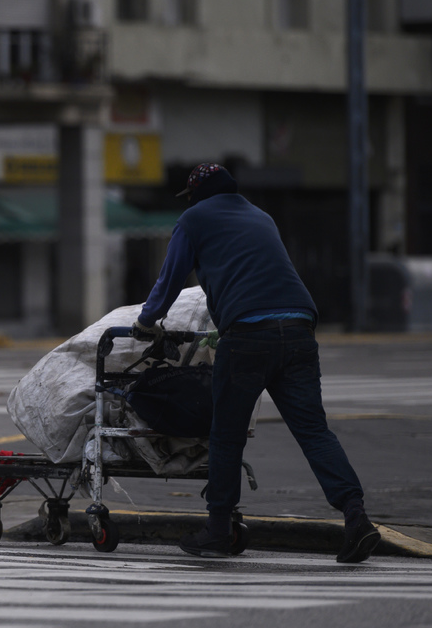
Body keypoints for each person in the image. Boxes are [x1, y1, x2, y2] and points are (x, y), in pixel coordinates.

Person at [132, 163, 380, 563]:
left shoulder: (193, 218)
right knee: (315, 432)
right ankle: (356, 517)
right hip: (299, 327)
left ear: (196, 194)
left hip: (248, 336)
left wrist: (146, 323)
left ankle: (216, 529)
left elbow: (170, 280)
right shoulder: (261, 215)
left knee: (226, 435)